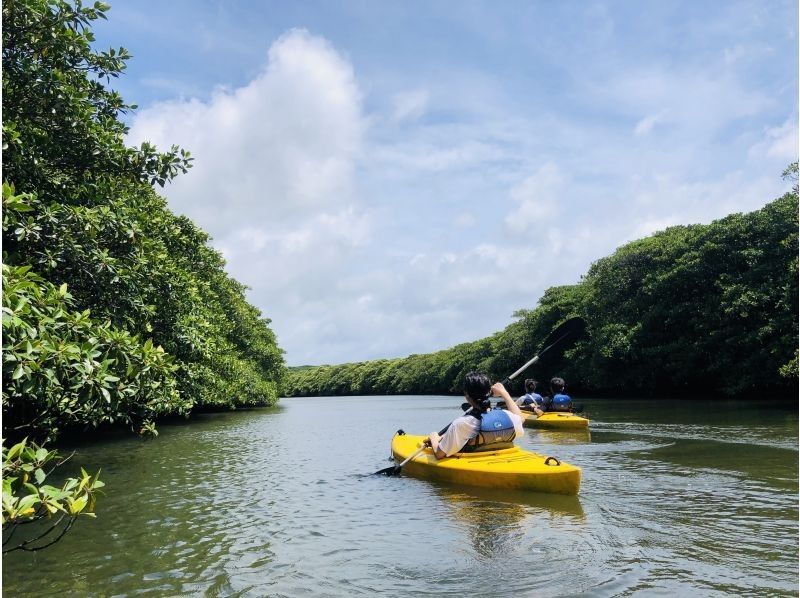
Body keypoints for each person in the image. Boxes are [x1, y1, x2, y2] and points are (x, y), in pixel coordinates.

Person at [428, 372, 525, 459]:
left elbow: (439, 454)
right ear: (489, 392)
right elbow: (521, 419)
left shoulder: (462, 423)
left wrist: (434, 438)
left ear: (467, 396)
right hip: (505, 457)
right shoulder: (507, 415)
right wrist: (504, 393)